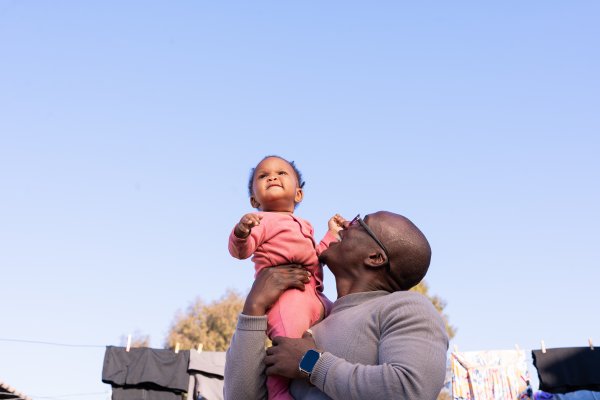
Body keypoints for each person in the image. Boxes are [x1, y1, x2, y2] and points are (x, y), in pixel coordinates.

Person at [224, 211, 449, 400]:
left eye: (360, 223)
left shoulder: (407, 307)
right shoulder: (316, 320)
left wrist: (310, 363)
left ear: (375, 257)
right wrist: (253, 309)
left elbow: (409, 389)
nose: (346, 226)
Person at [228, 155, 344, 400]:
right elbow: (242, 251)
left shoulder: (305, 225)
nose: (272, 176)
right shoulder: (260, 221)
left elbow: (316, 256)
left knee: (342, 321)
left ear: (298, 194)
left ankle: (321, 374)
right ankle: (279, 393)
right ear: (253, 200)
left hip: (317, 297)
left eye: (282, 173)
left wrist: (332, 234)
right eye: (263, 176)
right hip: (287, 299)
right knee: (287, 349)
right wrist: (241, 232)